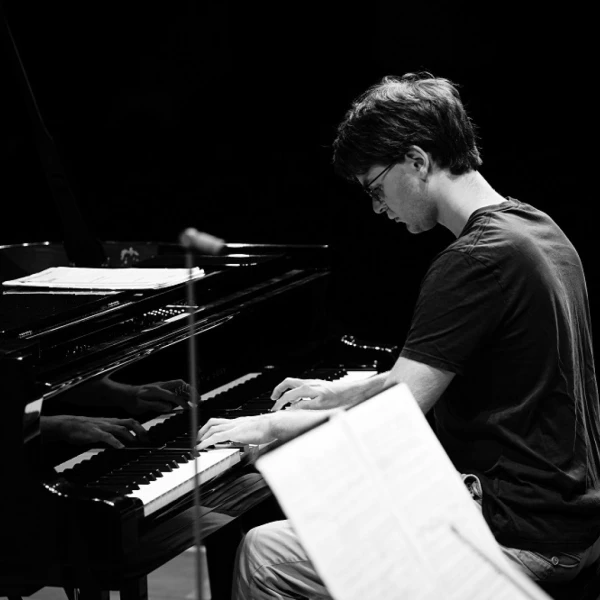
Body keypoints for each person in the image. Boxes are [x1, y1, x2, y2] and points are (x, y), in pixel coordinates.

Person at [197, 72, 600, 598]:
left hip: (518, 536)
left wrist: (270, 427)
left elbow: (397, 411)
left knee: (265, 552)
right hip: (568, 519)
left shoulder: (473, 260)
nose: (376, 208)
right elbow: (424, 381)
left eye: (375, 188)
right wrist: (341, 392)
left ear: (416, 160)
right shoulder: (536, 228)